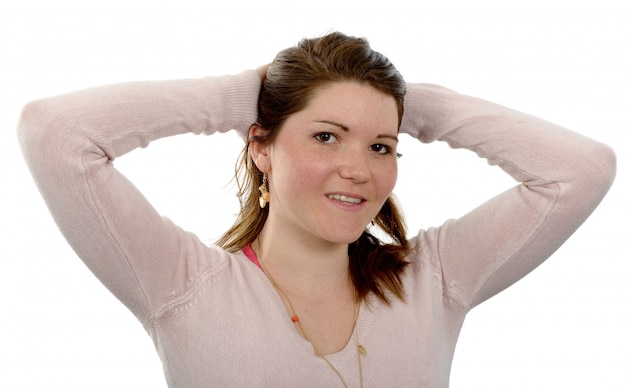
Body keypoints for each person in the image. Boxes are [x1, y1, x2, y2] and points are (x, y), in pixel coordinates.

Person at [18, 31, 615, 387]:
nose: (358, 168)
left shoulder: (433, 278)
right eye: (327, 136)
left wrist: (418, 106)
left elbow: (579, 171)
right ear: (261, 147)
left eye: (381, 145)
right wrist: (234, 96)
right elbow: (55, 134)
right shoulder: (183, 284)